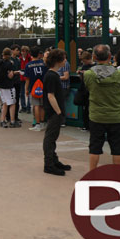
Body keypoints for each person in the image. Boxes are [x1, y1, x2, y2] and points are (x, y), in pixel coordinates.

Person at [83, 45, 120, 170]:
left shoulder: (88, 74)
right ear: (109, 56)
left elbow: (88, 89)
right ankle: (117, 176)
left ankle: (92, 174)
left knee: (95, 148)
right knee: (117, 149)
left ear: (94, 57)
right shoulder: (119, 75)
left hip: (97, 116)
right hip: (116, 116)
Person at [42, 48, 72, 176]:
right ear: (58, 60)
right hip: (54, 112)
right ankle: (49, 164)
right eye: (64, 58)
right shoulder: (52, 76)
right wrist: (59, 112)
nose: (65, 60)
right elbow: (50, 96)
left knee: (52, 137)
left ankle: (53, 161)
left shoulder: (52, 75)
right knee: (50, 138)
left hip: (55, 112)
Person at [0, 48, 19, 128]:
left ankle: (2, 120)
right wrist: (15, 72)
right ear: (9, 55)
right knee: (12, 103)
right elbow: (10, 75)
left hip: (1, 85)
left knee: (5, 103)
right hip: (8, 86)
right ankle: (12, 121)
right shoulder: (9, 64)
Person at [24, 47, 46, 131]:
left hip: (33, 87)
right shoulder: (44, 63)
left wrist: (26, 89)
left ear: (31, 54)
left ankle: (37, 124)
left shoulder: (28, 65)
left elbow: (27, 79)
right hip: (43, 87)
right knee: (42, 106)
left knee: (36, 105)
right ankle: (43, 122)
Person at [78, 51, 96, 131]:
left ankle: (88, 125)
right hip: (87, 90)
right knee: (86, 108)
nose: (83, 62)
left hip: (88, 89)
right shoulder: (90, 66)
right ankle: (87, 125)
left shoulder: (88, 67)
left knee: (88, 108)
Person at [57, 51, 71, 127]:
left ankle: (62, 121)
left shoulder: (65, 64)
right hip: (60, 87)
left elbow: (66, 76)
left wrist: (56, 77)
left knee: (61, 104)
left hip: (63, 87)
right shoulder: (59, 63)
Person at [19, 45, 31, 113]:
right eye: (22, 51)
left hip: (28, 78)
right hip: (21, 78)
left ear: (27, 52)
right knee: (22, 93)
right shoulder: (19, 59)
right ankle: (23, 107)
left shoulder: (30, 59)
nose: (23, 52)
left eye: (24, 51)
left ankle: (28, 107)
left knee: (28, 92)